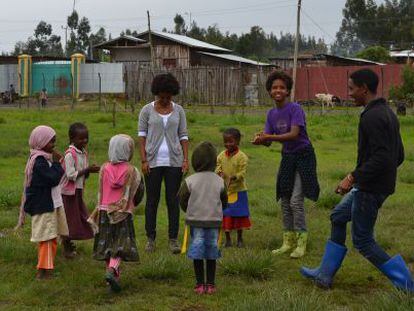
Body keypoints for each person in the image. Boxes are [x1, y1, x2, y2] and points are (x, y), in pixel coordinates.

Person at [300, 68, 413, 292]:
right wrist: (380, 177)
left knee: (362, 240)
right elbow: (397, 155)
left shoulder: (371, 116)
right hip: (373, 185)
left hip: (370, 188)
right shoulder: (388, 112)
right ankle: (324, 274)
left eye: (351, 89)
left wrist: (352, 177)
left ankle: (408, 284)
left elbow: (383, 156)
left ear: (364, 88)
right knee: (338, 217)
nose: (349, 93)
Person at [252, 71, 319, 259]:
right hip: (288, 157)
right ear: (269, 91)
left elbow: (294, 134)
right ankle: (287, 241)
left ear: (288, 90)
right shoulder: (271, 113)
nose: (278, 90)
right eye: (274, 87)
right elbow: (268, 140)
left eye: (282, 87)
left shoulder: (295, 109)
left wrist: (269, 137)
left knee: (296, 201)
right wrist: (260, 140)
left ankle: (301, 243)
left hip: (304, 156)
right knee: (284, 199)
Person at [138, 73, 189, 254]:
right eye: (162, 96)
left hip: (174, 163)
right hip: (152, 163)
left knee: (173, 201)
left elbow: (183, 136)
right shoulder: (146, 110)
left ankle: (173, 239)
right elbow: (142, 137)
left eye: (169, 97)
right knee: (152, 201)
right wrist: (144, 160)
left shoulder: (179, 111)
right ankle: (150, 239)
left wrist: (185, 159)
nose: (165, 100)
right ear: (156, 93)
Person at [92, 134, 144, 293]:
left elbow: (100, 190)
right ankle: (113, 270)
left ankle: (112, 280)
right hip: (122, 214)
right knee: (120, 246)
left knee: (107, 245)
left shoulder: (104, 168)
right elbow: (139, 191)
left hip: (104, 212)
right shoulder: (132, 171)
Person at [16, 125, 69, 279]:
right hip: (43, 205)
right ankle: (44, 270)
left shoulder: (40, 158)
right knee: (47, 238)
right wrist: (59, 163)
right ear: (41, 142)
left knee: (50, 236)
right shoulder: (39, 161)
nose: (54, 145)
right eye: (51, 142)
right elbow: (52, 179)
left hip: (48, 203)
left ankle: (45, 267)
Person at [178, 142, 227, 295]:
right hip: (214, 222)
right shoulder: (220, 181)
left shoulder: (190, 180)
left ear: (195, 161)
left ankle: (199, 284)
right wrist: (217, 211)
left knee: (197, 252)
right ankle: (211, 284)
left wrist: (190, 211)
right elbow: (224, 200)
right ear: (214, 162)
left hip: (195, 221)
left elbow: (182, 199)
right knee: (212, 253)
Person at [60, 123, 100, 258]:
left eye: (86, 138)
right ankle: (66, 244)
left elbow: (83, 171)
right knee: (70, 219)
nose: (84, 141)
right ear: (72, 139)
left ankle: (71, 240)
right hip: (68, 193)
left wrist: (89, 171)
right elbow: (70, 175)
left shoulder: (83, 152)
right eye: (81, 139)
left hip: (77, 191)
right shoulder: (69, 154)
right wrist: (87, 170)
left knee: (80, 216)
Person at [216, 128, 251, 248]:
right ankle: (228, 239)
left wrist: (235, 177)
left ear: (238, 141)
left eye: (231, 141)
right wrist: (219, 172)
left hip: (239, 191)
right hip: (225, 191)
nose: (228, 144)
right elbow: (218, 167)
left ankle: (240, 238)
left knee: (239, 215)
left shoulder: (242, 157)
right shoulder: (221, 155)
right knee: (226, 215)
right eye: (225, 141)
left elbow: (243, 172)